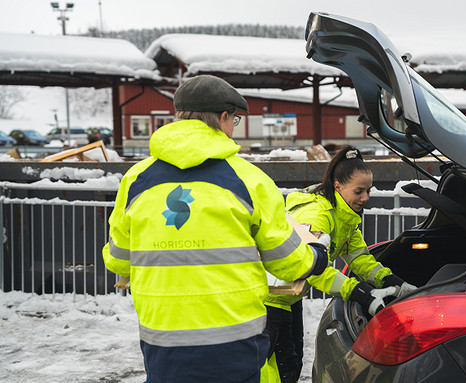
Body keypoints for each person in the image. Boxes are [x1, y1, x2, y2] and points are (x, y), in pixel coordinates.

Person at [102, 75, 329, 383]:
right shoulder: (249, 180)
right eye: (235, 119)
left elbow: (117, 260)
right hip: (234, 344)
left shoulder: (135, 180)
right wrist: (316, 256)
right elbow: (287, 263)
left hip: (163, 343)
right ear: (224, 117)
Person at [264, 145, 417, 383]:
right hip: (268, 301)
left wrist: (392, 282)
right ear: (338, 187)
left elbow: (360, 259)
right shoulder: (317, 216)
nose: (366, 198)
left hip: (287, 298)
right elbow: (311, 269)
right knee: (275, 371)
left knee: (291, 366)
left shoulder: (344, 219)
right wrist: (359, 293)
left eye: (369, 191)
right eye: (359, 191)